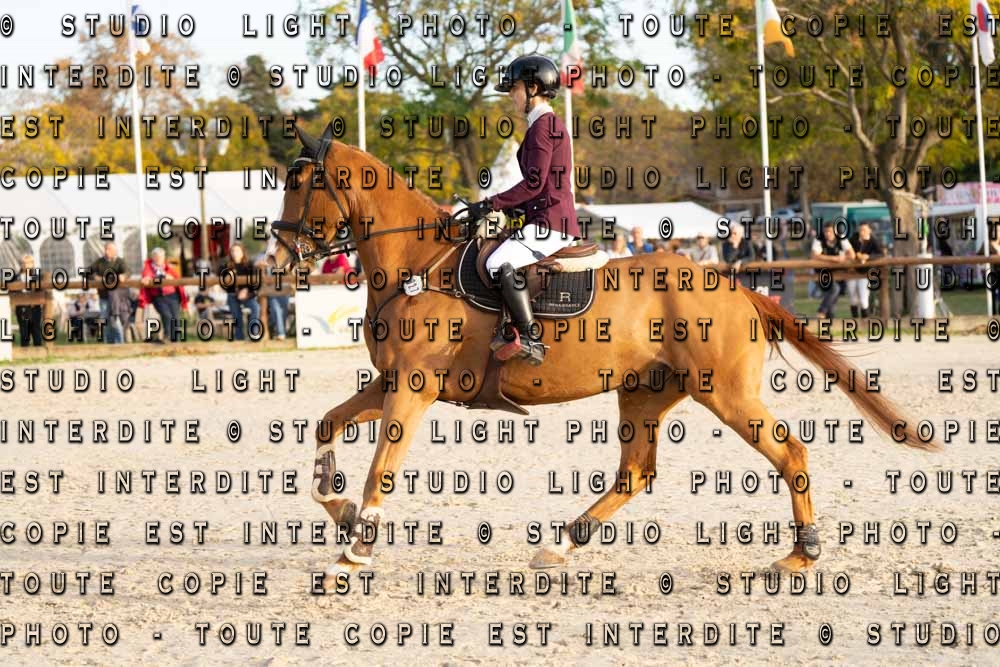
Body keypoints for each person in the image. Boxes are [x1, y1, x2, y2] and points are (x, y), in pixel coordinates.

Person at [462, 54, 580, 365]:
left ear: (533, 88)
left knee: (497, 263)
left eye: (514, 89)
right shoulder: (544, 125)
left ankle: (529, 338)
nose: (511, 96)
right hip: (544, 217)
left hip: (551, 222)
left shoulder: (543, 127)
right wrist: (512, 212)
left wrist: (492, 203)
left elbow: (534, 184)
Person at [139, 247, 188, 342]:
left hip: (172, 295)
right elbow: (147, 275)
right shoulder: (149, 267)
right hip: (158, 296)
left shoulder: (168, 267)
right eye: (157, 256)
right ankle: (167, 336)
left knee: (176, 318)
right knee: (166, 315)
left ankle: (176, 341)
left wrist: (171, 278)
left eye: (161, 256)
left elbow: (176, 278)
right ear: (153, 257)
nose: (159, 259)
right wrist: (148, 278)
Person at [811, 223, 856, 319]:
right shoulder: (819, 239)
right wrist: (834, 258)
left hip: (838, 273)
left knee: (834, 297)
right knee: (834, 289)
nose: (828, 234)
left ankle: (829, 318)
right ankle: (821, 311)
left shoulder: (841, 238)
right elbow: (814, 256)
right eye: (826, 231)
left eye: (830, 231)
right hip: (822, 273)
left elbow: (852, 254)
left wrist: (842, 258)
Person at [88, 241, 129, 344]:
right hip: (104, 297)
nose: (107, 251)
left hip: (116, 298)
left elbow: (128, 271)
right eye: (106, 249)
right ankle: (109, 343)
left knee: (115, 320)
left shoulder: (120, 261)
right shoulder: (99, 262)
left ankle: (120, 343)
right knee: (105, 320)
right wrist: (95, 277)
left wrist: (124, 276)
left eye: (109, 249)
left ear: (115, 250)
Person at [221, 243, 260, 341]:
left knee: (256, 308)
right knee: (237, 316)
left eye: (237, 251)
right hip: (232, 295)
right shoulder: (226, 266)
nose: (235, 253)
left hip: (247, 295)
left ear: (242, 252)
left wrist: (247, 290)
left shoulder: (249, 265)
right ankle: (239, 338)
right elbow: (223, 283)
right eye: (233, 251)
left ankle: (253, 333)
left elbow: (254, 282)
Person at [848, 222, 883, 318]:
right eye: (860, 230)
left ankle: (865, 321)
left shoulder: (873, 241)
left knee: (863, 299)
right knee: (853, 298)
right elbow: (847, 250)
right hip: (852, 271)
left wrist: (868, 256)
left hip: (865, 272)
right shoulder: (853, 239)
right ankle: (855, 319)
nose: (862, 232)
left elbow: (880, 254)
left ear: (869, 230)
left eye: (864, 230)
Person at [14, 255, 43, 347]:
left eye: (29, 263)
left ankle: (38, 351)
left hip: (34, 307)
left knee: (36, 330)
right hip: (21, 307)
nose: (26, 265)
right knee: (24, 332)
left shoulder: (37, 276)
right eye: (24, 263)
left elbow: (41, 290)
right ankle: (24, 351)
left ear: (32, 264)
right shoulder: (16, 277)